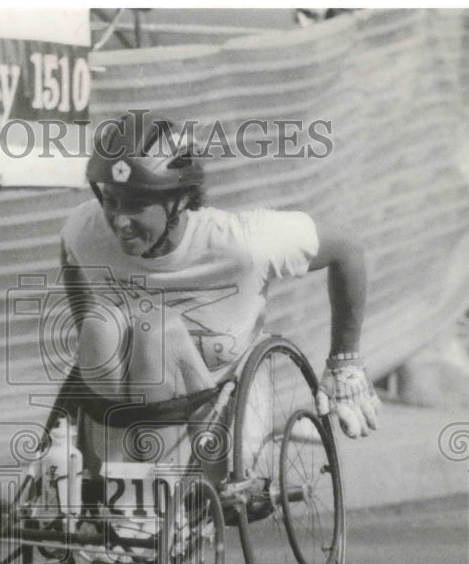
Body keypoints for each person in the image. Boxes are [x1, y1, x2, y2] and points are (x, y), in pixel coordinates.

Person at [56, 110, 380, 529]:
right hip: (122, 427)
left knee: (155, 327)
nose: (120, 220)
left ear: (177, 201)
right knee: (102, 323)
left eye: (136, 205)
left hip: (218, 421)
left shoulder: (243, 242)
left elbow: (347, 250)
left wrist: (345, 362)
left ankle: (149, 506)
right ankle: (123, 498)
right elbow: (70, 254)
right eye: (111, 202)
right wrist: (95, 341)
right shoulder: (86, 230)